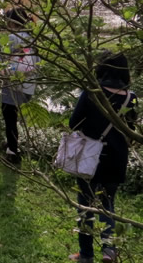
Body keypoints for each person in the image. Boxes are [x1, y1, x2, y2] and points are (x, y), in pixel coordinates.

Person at [68, 53, 137, 263]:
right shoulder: (130, 97)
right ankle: (109, 251)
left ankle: (86, 255)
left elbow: (74, 122)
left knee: (85, 205)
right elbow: (131, 128)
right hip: (116, 158)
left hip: (90, 157)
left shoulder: (92, 93)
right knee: (108, 204)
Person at [1, 7, 38, 164]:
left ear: (11, 22)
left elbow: (2, 60)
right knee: (15, 116)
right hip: (28, 84)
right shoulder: (32, 38)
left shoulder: (12, 38)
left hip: (12, 84)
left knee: (9, 118)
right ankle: (13, 144)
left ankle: (12, 151)